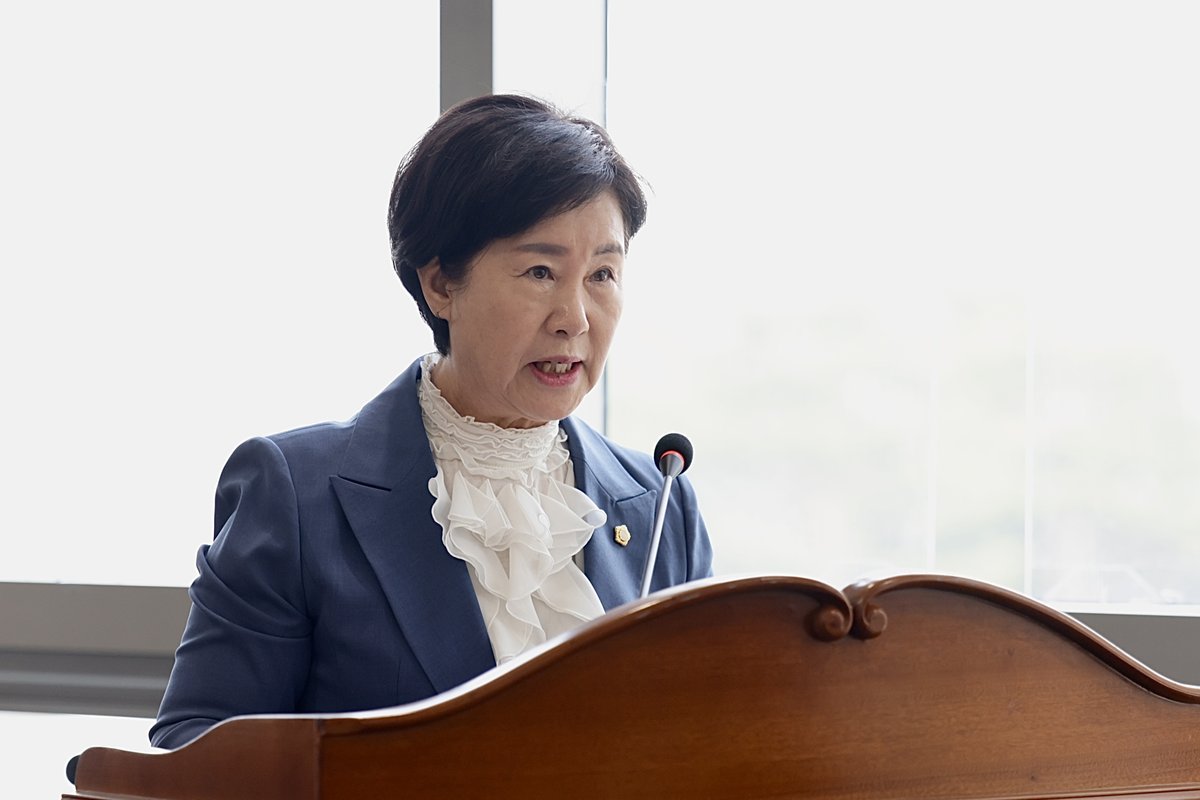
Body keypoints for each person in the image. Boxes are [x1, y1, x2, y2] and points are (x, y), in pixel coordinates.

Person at [149, 94, 713, 749]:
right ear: (441, 283)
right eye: (541, 271)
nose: (576, 319)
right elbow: (194, 747)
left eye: (603, 275)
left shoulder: (660, 504)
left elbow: (709, 742)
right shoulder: (295, 495)